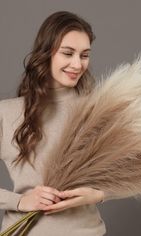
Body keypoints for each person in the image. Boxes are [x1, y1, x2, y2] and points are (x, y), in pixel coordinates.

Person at [0, 11, 108, 235]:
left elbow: (137, 173)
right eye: (68, 53)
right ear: (46, 53)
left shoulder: (98, 110)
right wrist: (20, 202)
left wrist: (98, 194)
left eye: (84, 55)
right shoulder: (7, 113)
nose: (77, 64)